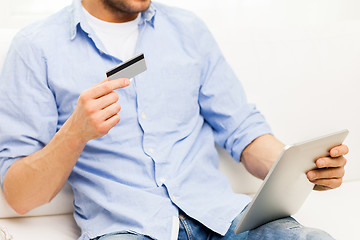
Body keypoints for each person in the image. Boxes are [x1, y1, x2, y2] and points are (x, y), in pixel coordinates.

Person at [0, 0, 349, 239]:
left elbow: (242, 130)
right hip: (128, 228)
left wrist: (302, 169)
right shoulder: (37, 48)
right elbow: (19, 196)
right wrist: (74, 134)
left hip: (226, 218)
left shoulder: (187, 30)